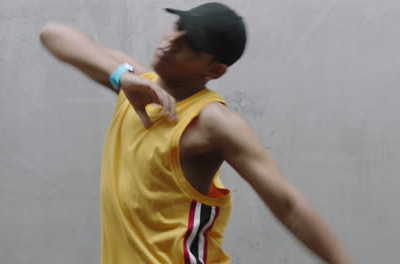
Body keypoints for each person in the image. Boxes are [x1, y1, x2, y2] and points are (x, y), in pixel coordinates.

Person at [39, 2, 353, 263]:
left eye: (191, 43)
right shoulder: (135, 85)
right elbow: (53, 34)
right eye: (177, 26)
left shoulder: (213, 122)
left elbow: (289, 205)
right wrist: (121, 76)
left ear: (214, 70)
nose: (171, 42)